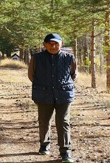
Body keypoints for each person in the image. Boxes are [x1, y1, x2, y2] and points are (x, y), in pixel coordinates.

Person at [28, 33, 78, 163]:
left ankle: (65, 152)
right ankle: (44, 145)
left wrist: (62, 85)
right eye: (50, 43)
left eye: (56, 43)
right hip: (43, 94)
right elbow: (31, 75)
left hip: (64, 94)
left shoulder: (69, 57)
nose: (53, 46)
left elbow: (73, 75)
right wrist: (44, 85)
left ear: (61, 44)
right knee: (44, 121)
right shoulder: (36, 58)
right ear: (44, 45)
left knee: (63, 122)